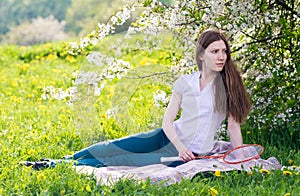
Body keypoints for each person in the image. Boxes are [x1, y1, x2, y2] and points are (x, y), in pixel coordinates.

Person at [22, 29, 252, 169]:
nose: (221, 57)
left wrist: (239, 156)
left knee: (120, 160)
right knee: (110, 146)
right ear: (201, 55)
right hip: (167, 137)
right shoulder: (186, 82)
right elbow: (167, 122)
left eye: (224, 52)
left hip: (186, 154)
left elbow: (233, 127)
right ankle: (65, 159)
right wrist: (180, 145)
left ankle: (52, 165)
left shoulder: (229, 86)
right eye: (215, 51)